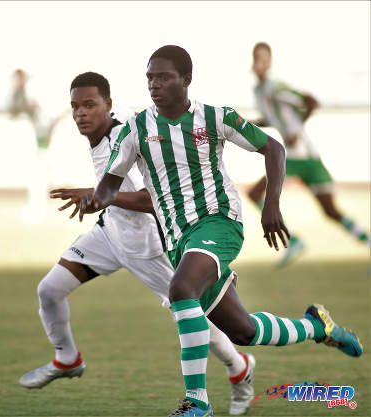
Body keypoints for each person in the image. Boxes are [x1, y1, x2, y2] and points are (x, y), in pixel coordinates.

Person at [78, 46, 362, 417]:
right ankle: (317, 327)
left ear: (186, 80)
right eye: (150, 78)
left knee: (181, 290)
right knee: (243, 331)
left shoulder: (215, 117)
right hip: (180, 239)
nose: (155, 85)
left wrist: (272, 204)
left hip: (219, 223)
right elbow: (111, 183)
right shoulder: (136, 129)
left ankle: (197, 402)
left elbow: (273, 148)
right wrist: (96, 198)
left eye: (163, 77)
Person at [19, 72, 257, 415]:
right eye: (75, 107)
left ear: (108, 105)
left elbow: (152, 199)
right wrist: (99, 201)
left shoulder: (124, 136)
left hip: (149, 246)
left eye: (89, 105)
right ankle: (68, 359)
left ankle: (239, 366)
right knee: (49, 290)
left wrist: (98, 195)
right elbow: (112, 194)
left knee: (192, 316)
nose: (80, 113)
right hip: (111, 235)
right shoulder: (99, 139)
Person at [248, 42, 370, 267]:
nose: (260, 64)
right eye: (257, 59)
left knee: (328, 211)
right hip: (297, 158)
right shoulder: (259, 91)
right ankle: (295, 241)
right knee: (331, 212)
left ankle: (294, 242)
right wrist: (244, 125)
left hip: (301, 155)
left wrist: (296, 130)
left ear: (270, 62)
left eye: (264, 59)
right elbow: (273, 119)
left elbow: (311, 102)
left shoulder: (276, 87)